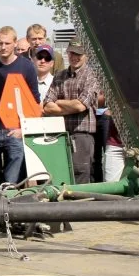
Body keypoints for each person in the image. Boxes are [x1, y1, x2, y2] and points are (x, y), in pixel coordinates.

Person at [0, 26, 39, 188]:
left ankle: (11, 211)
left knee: (12, 184)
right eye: (0, 43)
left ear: (14, 43)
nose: (3, 47)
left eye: (7, 43)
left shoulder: (27, 66)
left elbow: (35, 101)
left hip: (15, 131)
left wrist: (23, 129)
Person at [42, 41, 101, 184]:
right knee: (59, 175)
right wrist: (71, 105)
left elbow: (80, 106)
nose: (74, 57)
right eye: (72, 53)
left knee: (81, 175)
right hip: (60, 134)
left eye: (78, 54)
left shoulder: (91, 75)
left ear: (86, 55)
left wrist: (59, 102)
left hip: (82, 134)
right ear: (67, 53)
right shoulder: (59, 76)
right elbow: (47, 106)